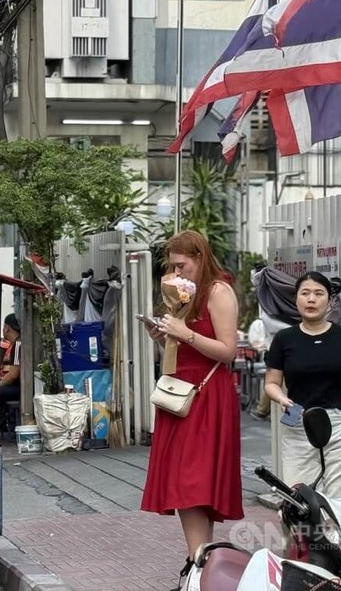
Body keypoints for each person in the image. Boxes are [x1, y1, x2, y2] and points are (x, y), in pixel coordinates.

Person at [140, 231, 242, 590]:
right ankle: (200, 565)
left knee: (194, 483)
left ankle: (197, 567)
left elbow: (229, 350)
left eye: (182, 264)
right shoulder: (184, 296)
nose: (177, 271)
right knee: (188, 485)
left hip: (205, 395)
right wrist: (164, 335)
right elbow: (184, 343)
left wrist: (184, 334)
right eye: (172, 265)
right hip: (180, 393)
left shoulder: (218, 292)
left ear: (200, 257)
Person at [263, 271, 341, 509]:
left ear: (330, 301)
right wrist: (282, 398)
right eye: (305, 293)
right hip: (298, 420)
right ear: (296, 300)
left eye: (318, 293)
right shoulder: (284, 339)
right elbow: (271, 383)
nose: (311, 299)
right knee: (297, 498)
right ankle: (300, 546)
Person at [0, 314, 22, 407]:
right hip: (17, 386)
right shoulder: (15, 344)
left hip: (17, 388)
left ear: (7, 328)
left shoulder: (18, 344)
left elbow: (13, 374)